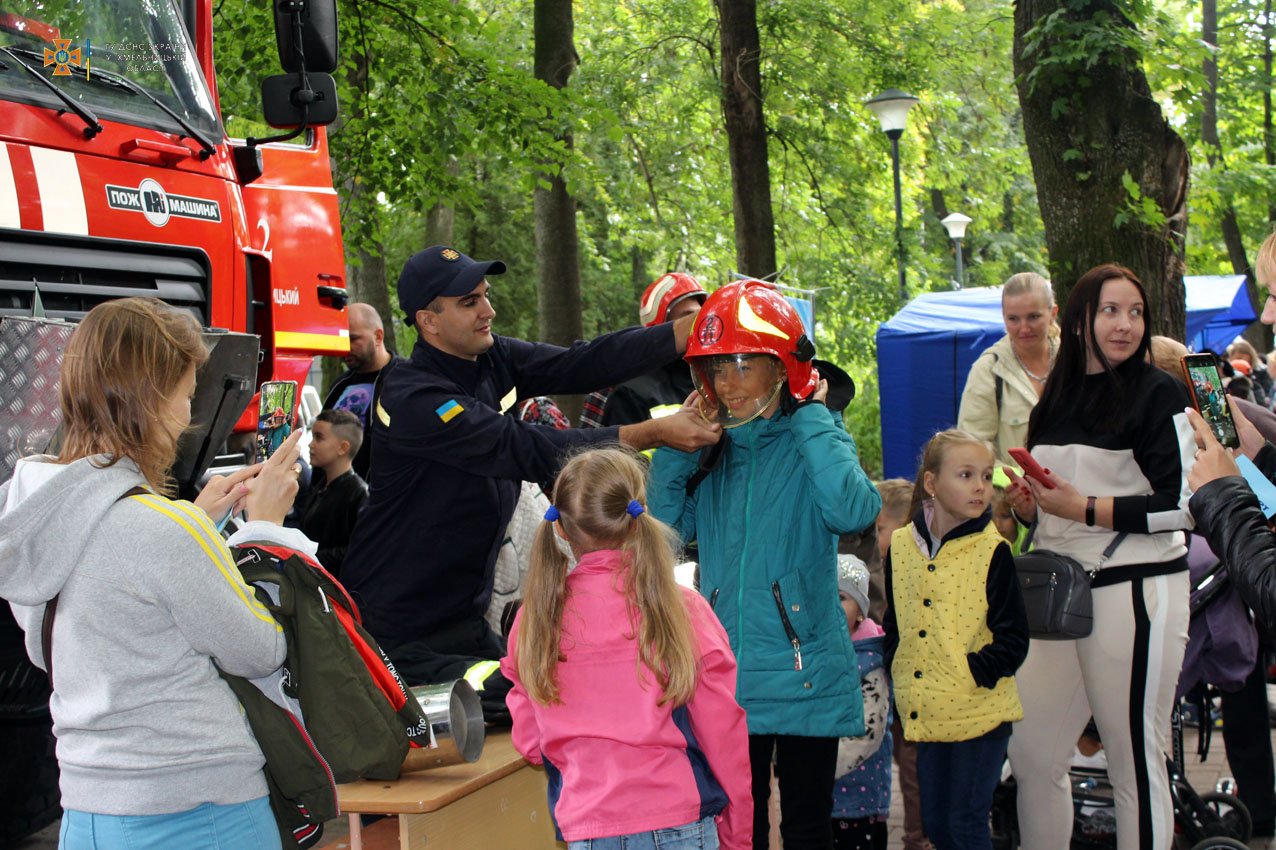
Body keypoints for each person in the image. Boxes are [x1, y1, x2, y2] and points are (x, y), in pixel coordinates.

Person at [0, 297, 309, 850]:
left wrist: (196, 522)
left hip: (87, 813)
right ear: (151, 399)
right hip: (194, 811)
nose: (187, 417)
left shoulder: (38, 515)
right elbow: (261, 650)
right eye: (186, 395)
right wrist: (265, 529)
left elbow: (52, 643)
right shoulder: (160, 531)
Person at [341, 245, 722, 688]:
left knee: (535, 696)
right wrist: (656, 432)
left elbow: (581, 362)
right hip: (396, 628)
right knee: (530, 698)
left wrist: (688, 330)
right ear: (428, 320)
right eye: (470, 302)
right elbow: (529, 448)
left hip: (461, 616)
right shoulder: (414, 396)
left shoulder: (491, 357)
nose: (489, 310)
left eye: (485, 295)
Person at [650, 279, 882, 850]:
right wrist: (677, 450)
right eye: (715, 368)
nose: (726, 384)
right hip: (729, 670)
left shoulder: (817, 437)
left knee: (807, 827)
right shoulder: (710, 449)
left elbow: (853, 508)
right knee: (739, 828)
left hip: (806, 668)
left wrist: (810, 413)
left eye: (741, 364)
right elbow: (662, 535)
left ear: (782, 366)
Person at [1002, 264, 1196, 850]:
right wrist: (1032, 508)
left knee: (1133, 756)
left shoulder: (1160, 393)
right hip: (1061, 593)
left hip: (1136, 588)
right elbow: (1055, 506)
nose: (1125, 324)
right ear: (1083, 318)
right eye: (1111, 310)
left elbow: (1181, 508)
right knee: (1031, 754)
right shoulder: (1053, 398)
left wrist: (1082, 506)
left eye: (1136, 312)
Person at [501, 448, 752, 849]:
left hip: (587, 828)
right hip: (681, 823)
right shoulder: (682, 610)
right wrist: (738, 836)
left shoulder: (535, 620)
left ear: (561, 529)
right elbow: (724, 737)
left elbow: (532, 744)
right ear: (640, 514)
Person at [883, 429, 1028, 850]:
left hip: (979, 714)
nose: (980, 486)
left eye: (985, 476)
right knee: (937, 825)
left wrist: (972, 673)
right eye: (965, 475)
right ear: (931, 483)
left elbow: (1014, 638)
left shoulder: (992, 551)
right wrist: (899, 664)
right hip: (927, 715)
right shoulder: (900, 548)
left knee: (965, 826)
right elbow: (896, 620)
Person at [871, 478, 930, 850]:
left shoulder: (912, 568)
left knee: (912, 768)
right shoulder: (877, 563)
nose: (873, 536)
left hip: (910, 687)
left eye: (879, 528)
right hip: (887, 684)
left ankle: (918, 837)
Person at [957, 272, 1058, 465]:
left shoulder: (1077, 361)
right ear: (1003, 317)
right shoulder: (988, 370)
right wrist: (1014, 483)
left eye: (1033, 317)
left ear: (1053, 313)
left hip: (1077, 492)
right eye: (1014, 319)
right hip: (1010, 493)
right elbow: (972, 450)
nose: (1024, 328)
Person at [831, 555, 892, 850]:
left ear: (860, 612)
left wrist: (819, 766)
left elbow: (868, 734)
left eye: (841, 597)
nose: (831, 605)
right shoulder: (817, 659)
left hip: (860, 801)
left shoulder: (869, 664)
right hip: (818, 799)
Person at [599, 273, 707, 427]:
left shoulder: (717, 380)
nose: (699, 324)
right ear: (661, 329)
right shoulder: (630, 393)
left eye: (701, 315)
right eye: (688, 318)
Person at [323, 302, 403, 479]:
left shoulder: (406, 379)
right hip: (339, 497)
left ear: (378, 337)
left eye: (353, 339)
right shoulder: (340, 385)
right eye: (342, 340)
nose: (346, 347)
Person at [299, 408, 368, 578]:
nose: (310, 444)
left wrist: (311, 558)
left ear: (343, 448)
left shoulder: (358, 493)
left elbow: (358, 550)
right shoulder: (322, 485)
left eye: (319, 437)